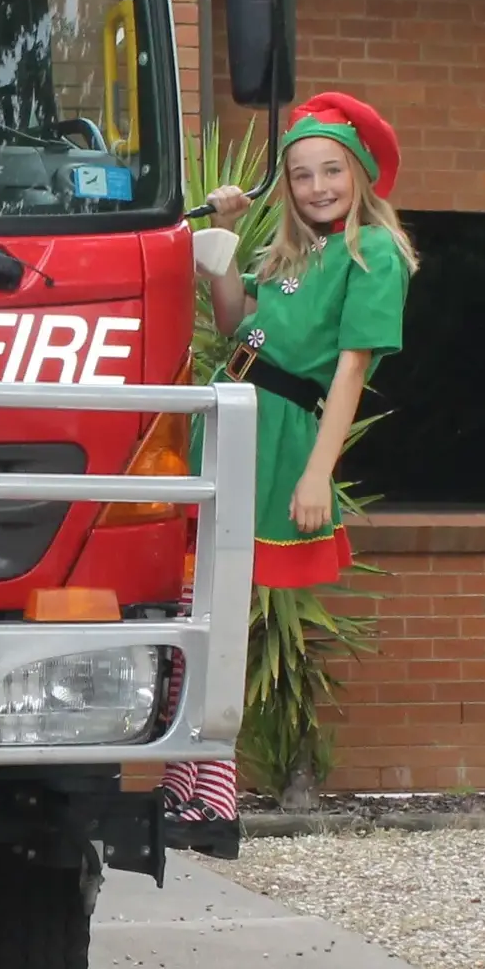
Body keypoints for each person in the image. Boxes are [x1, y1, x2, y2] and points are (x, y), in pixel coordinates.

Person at [166, 91, 416, 845]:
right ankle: (190, 783)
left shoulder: (372, 258)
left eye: (331, 170)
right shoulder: (293, 256)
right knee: (191, 604)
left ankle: (211, 795)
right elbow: (234, 329)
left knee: (212, 610)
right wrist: (226, 246)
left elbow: (347, 374)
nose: (316, 187)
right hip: (228, 415)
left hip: (277, 435)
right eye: (300, 174)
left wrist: (317, 474)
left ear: (362, 175)